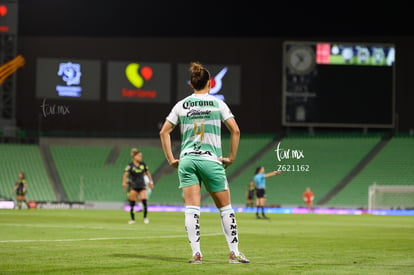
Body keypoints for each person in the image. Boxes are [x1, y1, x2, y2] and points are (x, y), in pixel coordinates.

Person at [159, 62, 250, 264]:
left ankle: (196, 254)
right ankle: (234, 253)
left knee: (192, 209)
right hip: (211, 160)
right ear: (210, 83)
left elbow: (164, 131)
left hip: (188, 160)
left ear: (191, 84)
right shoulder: (218, 104)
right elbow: (235, 131)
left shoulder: (181, 105)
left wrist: (171, 159)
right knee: (225, 208)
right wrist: (231, 157)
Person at [122, 148, 154, 224]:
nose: (140, 157)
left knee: (144, 201)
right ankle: (132, 219)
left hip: (142, 185)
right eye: (139, 156)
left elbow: (148, 174)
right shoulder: (130, 166)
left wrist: (151, 182)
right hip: (133, 186)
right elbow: (125, 175)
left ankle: (145, 218)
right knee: (132, 203)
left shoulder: (143, 165)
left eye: (141, 156)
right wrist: (124, 182)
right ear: (134, 157)